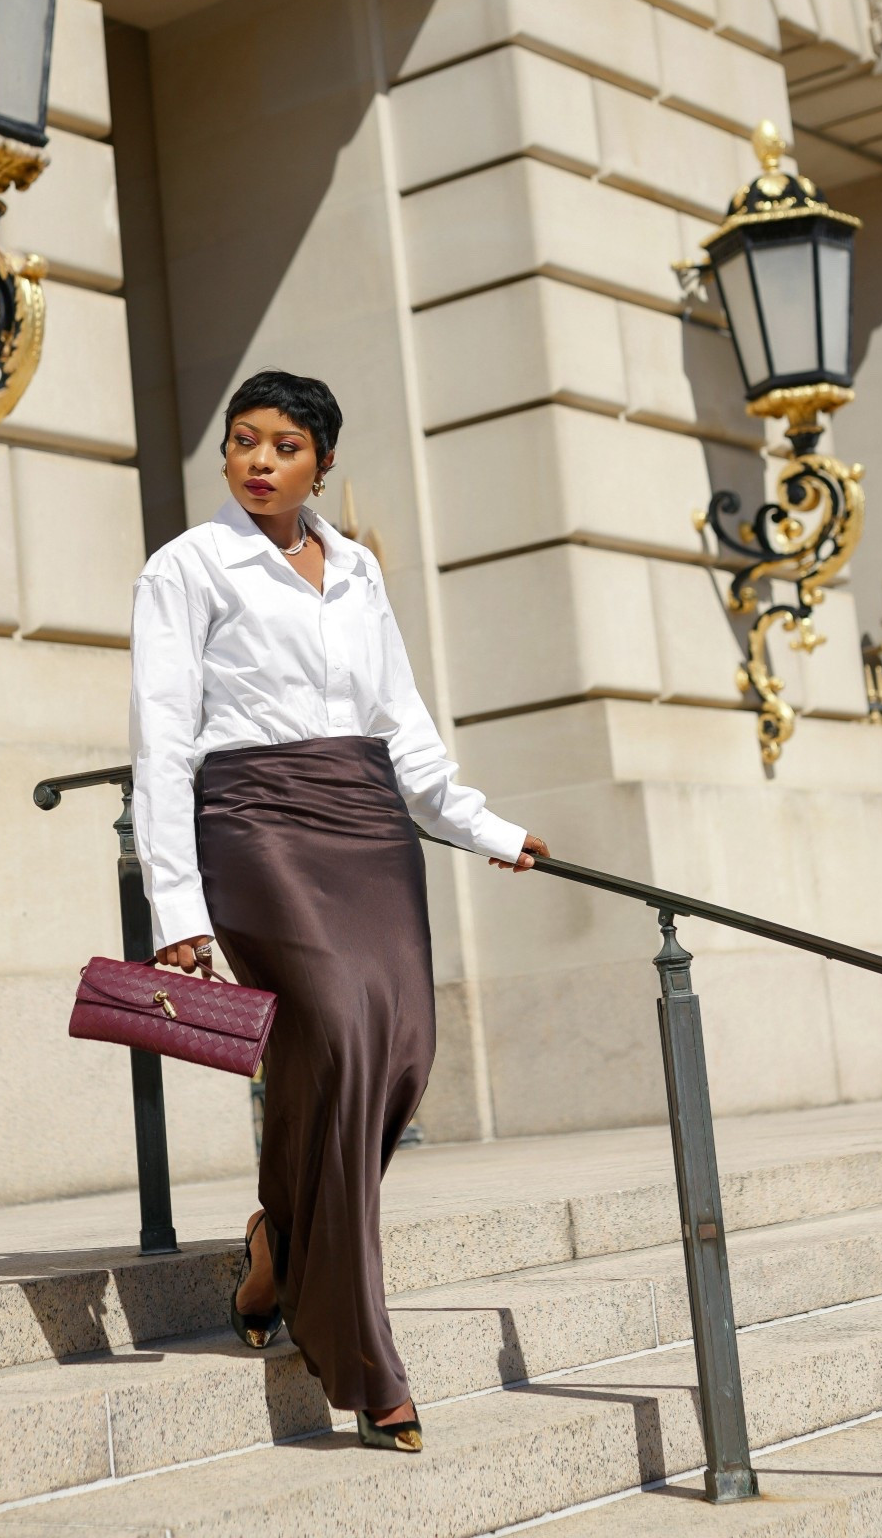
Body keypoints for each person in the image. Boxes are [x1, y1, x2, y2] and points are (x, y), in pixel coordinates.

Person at [129, 370, 549, 1453]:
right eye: (241, 442)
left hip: (366, 820)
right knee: (340, 1031)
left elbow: (400, 723)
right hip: (257, 819)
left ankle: (276, 1246)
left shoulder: (357, 567)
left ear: (323, 460)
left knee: (401, 1045)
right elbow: (162, 737)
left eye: (283, 444)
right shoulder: (186, 566)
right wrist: (173, 899)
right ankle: (365, 1358)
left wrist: (487, 827)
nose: (259, 460)